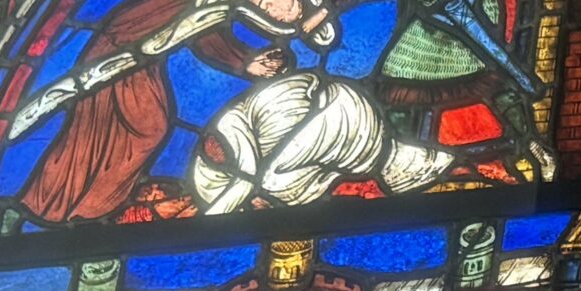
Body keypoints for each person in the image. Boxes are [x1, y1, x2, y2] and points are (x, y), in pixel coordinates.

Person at [13, 0, 331, 223]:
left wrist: (247, 62)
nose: (276, 12)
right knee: (136, 129)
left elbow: (202, 28)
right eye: (290, 5)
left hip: (143, 55)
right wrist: (245, 62)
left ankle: (68, 207)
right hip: (125, 46)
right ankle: (67, 208)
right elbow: (201, 27)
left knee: (103, 133)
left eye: (282, 18)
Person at [313, 0, 556, 178]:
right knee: (394, 81)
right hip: (435, 20)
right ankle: (401, 159)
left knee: (491, 74)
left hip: (473, 4)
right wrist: (326, 10)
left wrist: (326, 10)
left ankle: (533, 146)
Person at [188, 68, 454, 212]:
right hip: (340, 116)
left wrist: (217, 216)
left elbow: (245, 178)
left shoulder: (234, 130)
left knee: (272, 180)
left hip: (341, 114)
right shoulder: (220, 176)